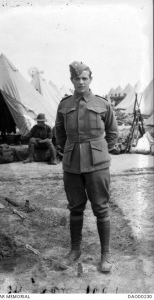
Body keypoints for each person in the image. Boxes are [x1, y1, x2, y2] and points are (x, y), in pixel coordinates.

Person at [55, 61, 119, 272]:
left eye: (85, 78)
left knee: (101, 207)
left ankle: (106, 255)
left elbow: (112, 133)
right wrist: (69, 151)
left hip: (98, 164)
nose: (81, 82)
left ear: (90, 79)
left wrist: (100, 151)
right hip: (72, 164)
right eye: (77, 78)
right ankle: (75, 251)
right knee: (75, 207)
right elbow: (59, 134)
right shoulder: (64, 105)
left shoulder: (103, 104)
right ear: (72, 80)